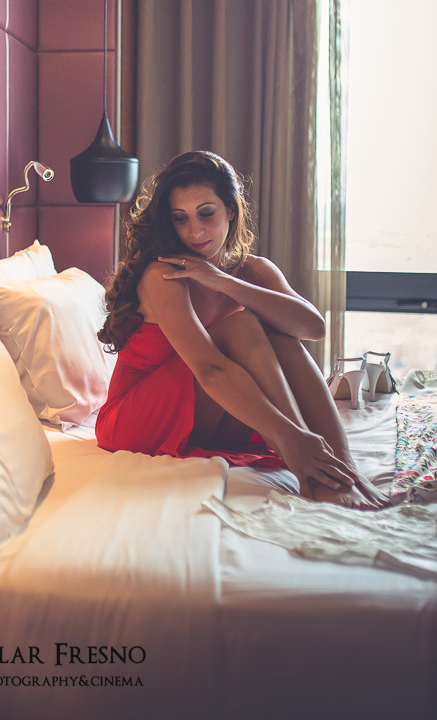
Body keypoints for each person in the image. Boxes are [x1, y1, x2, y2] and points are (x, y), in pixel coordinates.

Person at [96, 151, 387, 510]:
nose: (195, 231)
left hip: (210, 412)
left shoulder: (254, 270)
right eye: (180, 219)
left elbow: (313, 328)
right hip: (135, 421)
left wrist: (224, 281)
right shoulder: (163, 276)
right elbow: (208, 369)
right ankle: (312, 471)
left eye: (206, 213)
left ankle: (344, 469)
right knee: (242, 325)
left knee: (278, 332)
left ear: (230, 211)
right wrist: (291, 438)